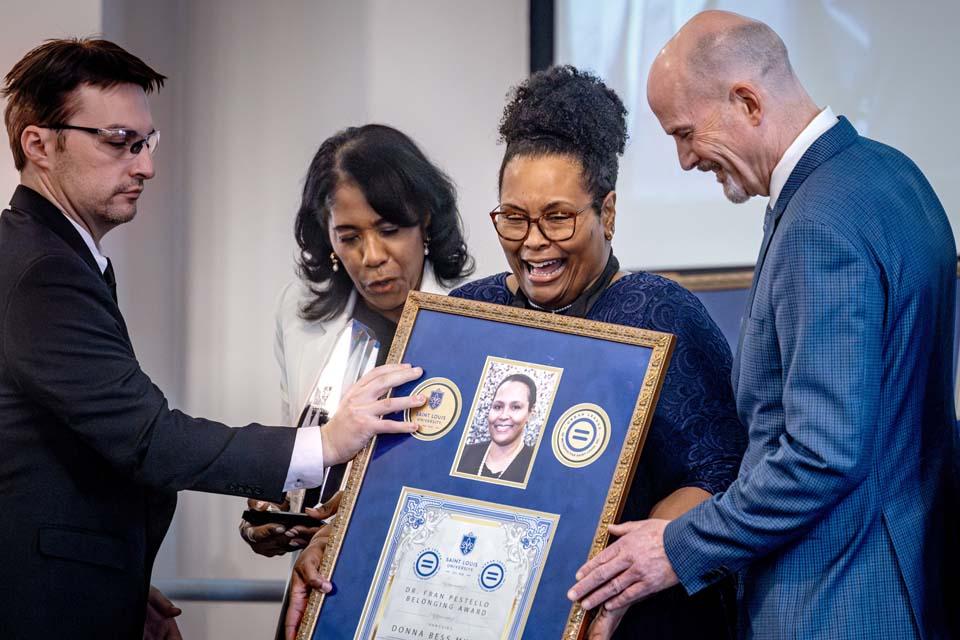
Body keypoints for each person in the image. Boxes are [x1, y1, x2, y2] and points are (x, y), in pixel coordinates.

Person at [0, 38, 425, 639]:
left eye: (147, 143)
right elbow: (148, 439)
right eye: (119, 143)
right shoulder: (41, 269)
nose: (145, 166)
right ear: (39, 145)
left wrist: (117, 583)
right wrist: (324, 445)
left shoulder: (60, 257)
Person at [569, 11, 957, 638]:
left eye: (686, 134)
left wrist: (676, 546)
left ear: (747, 101)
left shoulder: (817, 223)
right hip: (904, 580)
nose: (686, 160)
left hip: (836, 599)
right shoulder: (893, 175)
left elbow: (820, 455)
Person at [452, 65, 747, 638]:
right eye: (513, 218)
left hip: (632, 620)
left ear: (606, 214)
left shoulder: (656, 313)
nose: (533, 241)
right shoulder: (469, 314)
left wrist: (613, 577)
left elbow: (722, 473)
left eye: (557, 218)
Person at [236, 125, 473, 638]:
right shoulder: (297, 314)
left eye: (389, 229)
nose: (371, 256)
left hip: (439, 592)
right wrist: (272, 508)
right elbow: (304, 445)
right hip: (324, 590)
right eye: (349, 236)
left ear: (425, 222)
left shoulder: (479, 313)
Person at [456, 373, 538, 482]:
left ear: (530, 414)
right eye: (498, 407)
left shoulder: (535, 467)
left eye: (515, 407)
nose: (503, 416)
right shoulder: (463, 454)